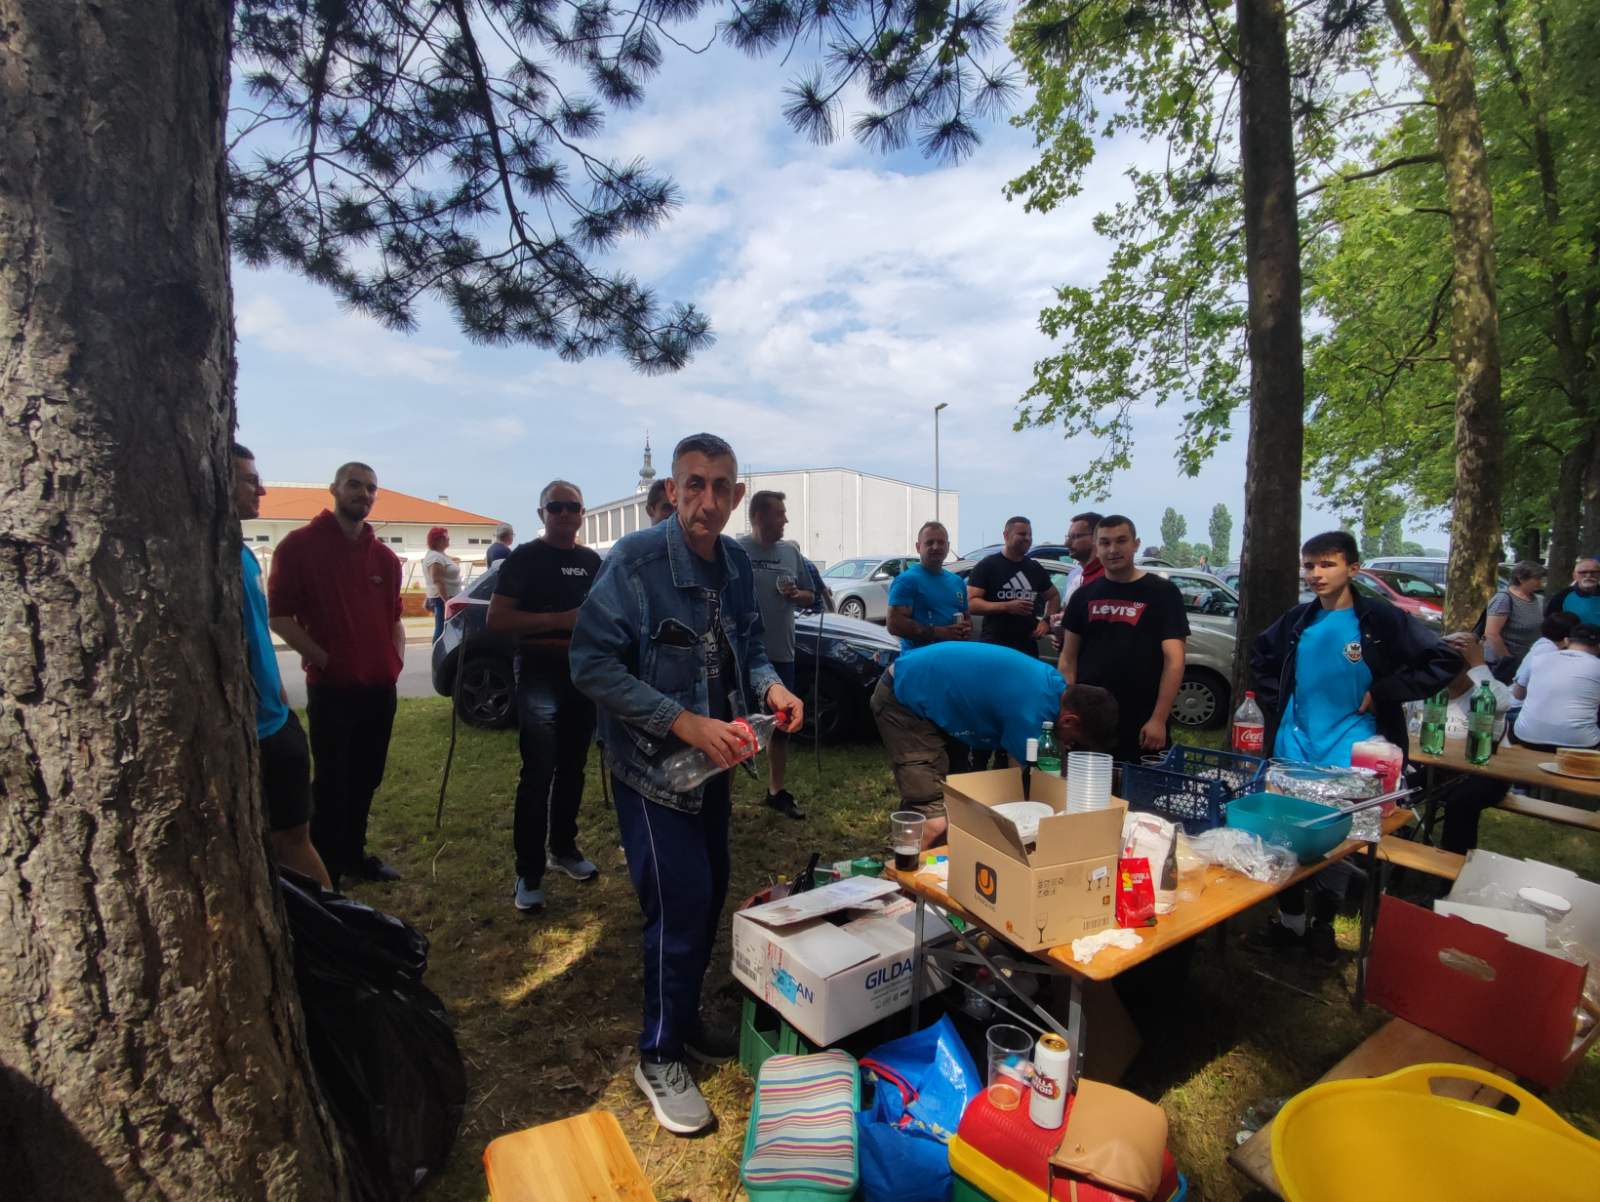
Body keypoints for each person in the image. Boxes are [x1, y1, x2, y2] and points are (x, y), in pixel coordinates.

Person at [570, 433, 804, 1136]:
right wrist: (682, 722)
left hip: (713, 767)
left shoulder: (735, 562)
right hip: (650, 769)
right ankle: (658, 1054)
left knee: (707, 895)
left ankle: (686, 1018)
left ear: (737, 495)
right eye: (694, 484)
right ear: (672, 491)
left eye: (720, 486)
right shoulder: (635, 561)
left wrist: (772, 686)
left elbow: (751, 646)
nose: (707, 499)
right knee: (678, 905)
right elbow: (591, 665)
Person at [1249, 530, 1462, 951]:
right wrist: (1280, 701)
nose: (1316, 574)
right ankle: (1290, 922)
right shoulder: (1298, 619)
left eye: (1327, 564)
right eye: (1309, 565)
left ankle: (1323, 926)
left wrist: (1386, 691)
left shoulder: (1380, 619)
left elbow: (1444, 658)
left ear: (1353, 568)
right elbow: (1262, 657)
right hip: (1294, 747)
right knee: (1285, 834)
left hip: (1352, 747)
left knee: (1340, 839)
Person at [269, 462, 405, 885]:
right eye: (354, 484)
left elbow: (395, 619)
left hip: (379, 689)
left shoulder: (384, 557)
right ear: (334, 488)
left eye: (371, 488)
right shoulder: (298, 547)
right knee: (331, 782)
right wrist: (326, 660)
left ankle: (354, 856)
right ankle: (326, 869)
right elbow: (280, 617)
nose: (363, 494)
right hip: (333, 690)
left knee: (367, 777)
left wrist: (395, 662)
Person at [871, 641, 1117, 847]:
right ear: (1069, 720)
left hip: (937, 696)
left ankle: (937, 865)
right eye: (1074, 741)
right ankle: (907, 881)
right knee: (934, 820)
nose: (1068, 747)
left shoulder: (1054, 690)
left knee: (956, 801)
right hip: (905, 697)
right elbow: (1036, 782)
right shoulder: (1030, 711)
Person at [488, 481, 602, 913]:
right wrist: (560, 620)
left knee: (573, 769)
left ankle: (564, 849)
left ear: (582, 513)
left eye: (573, 506)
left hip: (581, 675)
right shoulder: (524, 558)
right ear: (542, 514)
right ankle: (529, 872)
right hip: (538, 674)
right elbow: (498, 618)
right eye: (556, 507)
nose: (565, 513)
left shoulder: (591, 562)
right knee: (537, 774)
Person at [232, 445, 331, 889]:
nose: (262, 490)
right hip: (245, 730)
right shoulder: (200, 555)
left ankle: (330, 923)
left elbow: (254, 632)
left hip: (273, 724)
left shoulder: (242, 553)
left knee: (291, 840)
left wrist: (276, 689)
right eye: (250, 480)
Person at [1059, 516, 1188, 763]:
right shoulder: (1083, 596)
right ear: (1096, 547)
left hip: (1142, 719)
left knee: (1142, 787)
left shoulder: (1163, 593)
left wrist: (1159, 719)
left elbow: (1175, 661)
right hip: (1090, 721)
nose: (1113, 549)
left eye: (1121, 541)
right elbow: (1067, 659)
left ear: (1136, 544)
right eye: (1105, 542)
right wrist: (1066, 712)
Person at [736, 490, 815, 820]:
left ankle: (776, 791)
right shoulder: (736, 550)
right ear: (758, 517)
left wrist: (797, 594)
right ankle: (721, 799)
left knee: (781, 727)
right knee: (735, 726)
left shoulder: (790, 552)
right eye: (779, 514)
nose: (785, 520)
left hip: (782, 653)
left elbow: (811, 595)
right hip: (742, 657)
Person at [968, 516, 1059, 767]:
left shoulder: (1034, 568)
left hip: (1026, 650)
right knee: (989, 705)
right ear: (1006, 535)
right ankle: (979, 758)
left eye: (1029, 534)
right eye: (1021, 534)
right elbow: (972, 603)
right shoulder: (989, 565)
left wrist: (1045, 621)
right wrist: (1006, 606)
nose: (1027, 539)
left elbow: (1053, 596)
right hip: (994, 648)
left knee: (1019, 706)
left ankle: (1006, 758)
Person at [1511, 624, 1600, 750]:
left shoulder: (1538, 659)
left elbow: (1518, 695)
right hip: (1580, 743)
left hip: (1527, 737)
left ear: (1566, 641)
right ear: (1598, 646)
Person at [886, 520, 971, 652]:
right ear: (918, 547)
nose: (935, 547)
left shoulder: (957, 581)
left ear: (948, 546)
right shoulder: (906, 581)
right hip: (919, 659)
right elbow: (894, 624)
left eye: (941, 542)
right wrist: (940, 632)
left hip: (952, 655)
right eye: (929, 542)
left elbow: (967, 618)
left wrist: (966, 628)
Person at [1484, 560, 1547, 682]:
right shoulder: (1503, 599)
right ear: (1521, 578)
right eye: (1537, 578)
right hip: (1503, 666)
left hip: (1526, 661)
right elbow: (1491, 633)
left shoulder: (1538, 600)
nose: (1540, 582)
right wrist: (1508, 659)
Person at [421, 525, 462, 642]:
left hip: (447, 598)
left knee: (447, 629)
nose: (449, 539)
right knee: (442, 630)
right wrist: (447, 602)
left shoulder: (440, 555)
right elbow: (437, 581)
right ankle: (437, 651)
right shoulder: (435, 557)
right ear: (437, 540)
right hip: (443, 599)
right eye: (446, 537)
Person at [1546, 558, 1600, 625]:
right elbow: (1550, 625)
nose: (1588, 575)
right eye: (1583, 572)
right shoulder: (1561, 597)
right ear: (1574, 576)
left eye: (1593, 572)